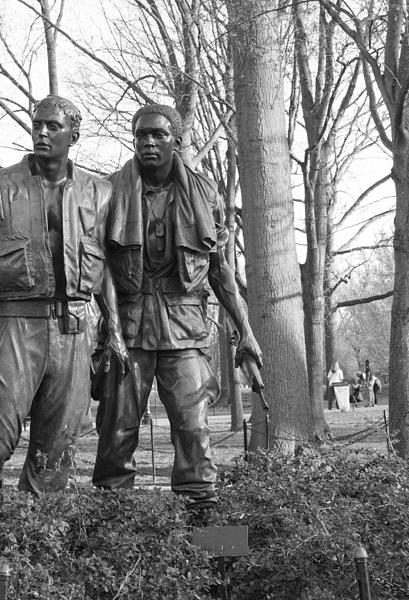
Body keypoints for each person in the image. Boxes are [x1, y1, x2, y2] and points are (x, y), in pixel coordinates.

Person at [0, 95, 129, 522]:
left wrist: (113, 328)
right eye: (37, 124)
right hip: (13, 323)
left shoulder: (100, 192)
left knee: (58, 444)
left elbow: (104, 269)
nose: (41, 132)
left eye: (52, 127)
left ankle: (35, 539)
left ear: (73, 136)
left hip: (74, 328)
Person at [91, 104, 263, 521]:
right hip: (128, 326)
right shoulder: (110, 191)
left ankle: (201, 523)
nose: (148, 142)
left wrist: (246, 332)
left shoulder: (205, 193)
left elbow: (220, 268)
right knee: (117, 428)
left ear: (177, 142)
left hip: (185, 326)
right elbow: (100, 269)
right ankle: (113, 521)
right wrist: (112, 328)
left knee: (192, 426)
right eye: (141, 136)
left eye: (158, 135)